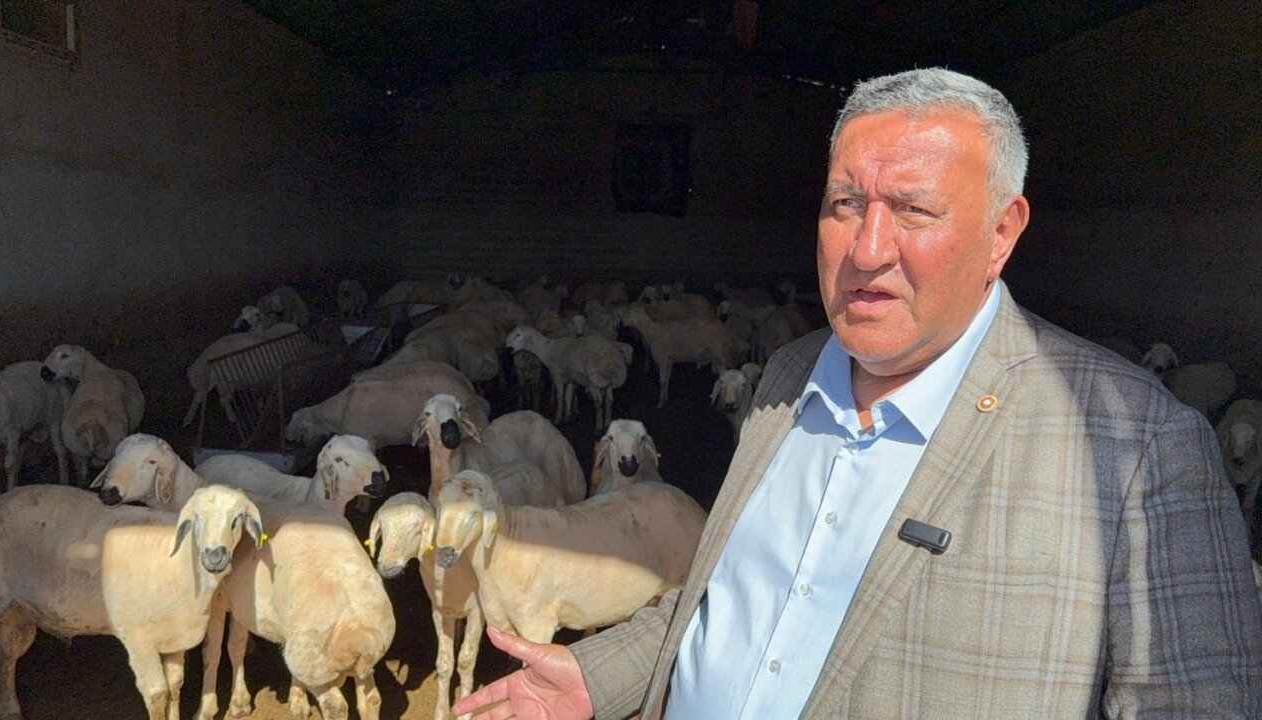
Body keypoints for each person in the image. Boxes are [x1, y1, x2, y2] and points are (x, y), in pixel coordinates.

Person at [454, 68, 1262, 719]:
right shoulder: (786, 377)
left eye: (914, 209)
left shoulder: (1142, 452)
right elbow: (732, 593)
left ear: (1001, 232)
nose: (867, 249)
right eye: (846, 204)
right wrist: (597, 676)